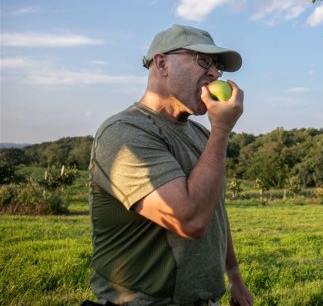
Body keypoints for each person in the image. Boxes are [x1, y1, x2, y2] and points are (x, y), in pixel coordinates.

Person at [88, 24, 254, 306]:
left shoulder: (202, 134)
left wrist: (235, 277)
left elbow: (214, 209)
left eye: (217, 67)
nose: (214, 73)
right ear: (162, 63)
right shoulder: (123, 133)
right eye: (203, 60)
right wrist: (222, 131)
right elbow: (189, 220)